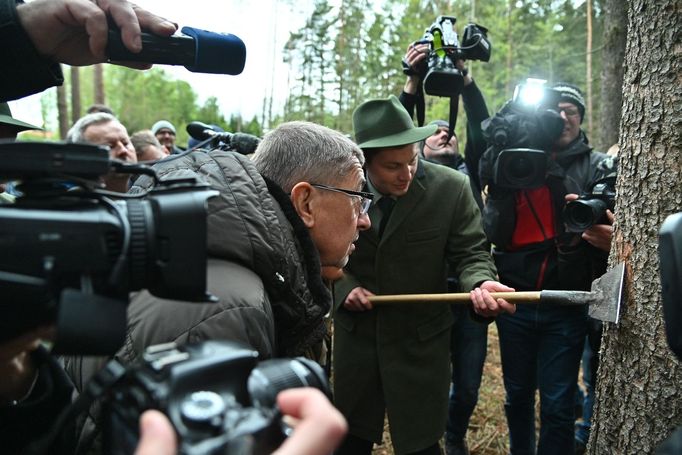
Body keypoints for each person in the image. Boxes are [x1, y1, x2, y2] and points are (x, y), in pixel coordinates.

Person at [64, 120, 370, 452]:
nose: (365, 219)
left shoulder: (212, 258)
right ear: (305, 203)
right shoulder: (229, 309)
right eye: (358, 199)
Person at [332, 95, 516, 455]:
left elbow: (471, 253)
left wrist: (479, 282)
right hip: (359, 340)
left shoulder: (451, 188)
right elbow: (318, 252)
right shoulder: (337, 190)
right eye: (392, 166)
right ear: (364, 163)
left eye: (413, 160)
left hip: (420, 343)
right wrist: (345, 286)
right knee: (348, 439)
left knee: (421, 443)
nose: (407, 173)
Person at [479, 83, 611, 455]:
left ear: (582, 119)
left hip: (565, 301)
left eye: (571, 111)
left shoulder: (597, 164)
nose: (564, 117)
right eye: (556, 111)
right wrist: (511, 119)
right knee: (517, 395)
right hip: (516, 298)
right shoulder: (513, 158)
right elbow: (483, 169)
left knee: (557, 403)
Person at [400, 42, 490, 455]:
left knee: (469, 382)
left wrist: (466, 82)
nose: (443, 132)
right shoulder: (410, 179)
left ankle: (455, 438)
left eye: (447, 129)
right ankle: (427, 439)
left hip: (469, 292)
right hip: (425, 293)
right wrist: (414, 80)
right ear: (417, 148)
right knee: (428, 377)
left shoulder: (472, 170)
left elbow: (482, 128)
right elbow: (394, 130)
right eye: (432, 131)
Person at [66, 112, 138, 193]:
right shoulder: (72, 203)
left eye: (125, 143)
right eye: (109, 146)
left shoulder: (151, 190)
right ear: (83, 158)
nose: (123, 150)